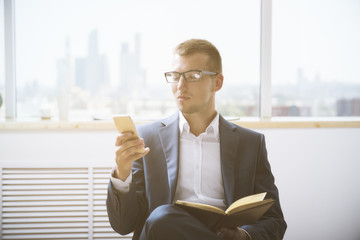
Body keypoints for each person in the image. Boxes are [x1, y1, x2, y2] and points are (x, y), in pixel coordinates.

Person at [107, 39, 287, 240]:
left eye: (193, 76)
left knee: (161, 217)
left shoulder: (251, 144)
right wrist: (122, 174)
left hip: (226, 233)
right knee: (161, 218)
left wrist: (243, 236)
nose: (180, 86)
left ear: (217, 82)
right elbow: (123, 226)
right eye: (175, 76)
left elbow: (275, 221)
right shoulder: (147, 139)